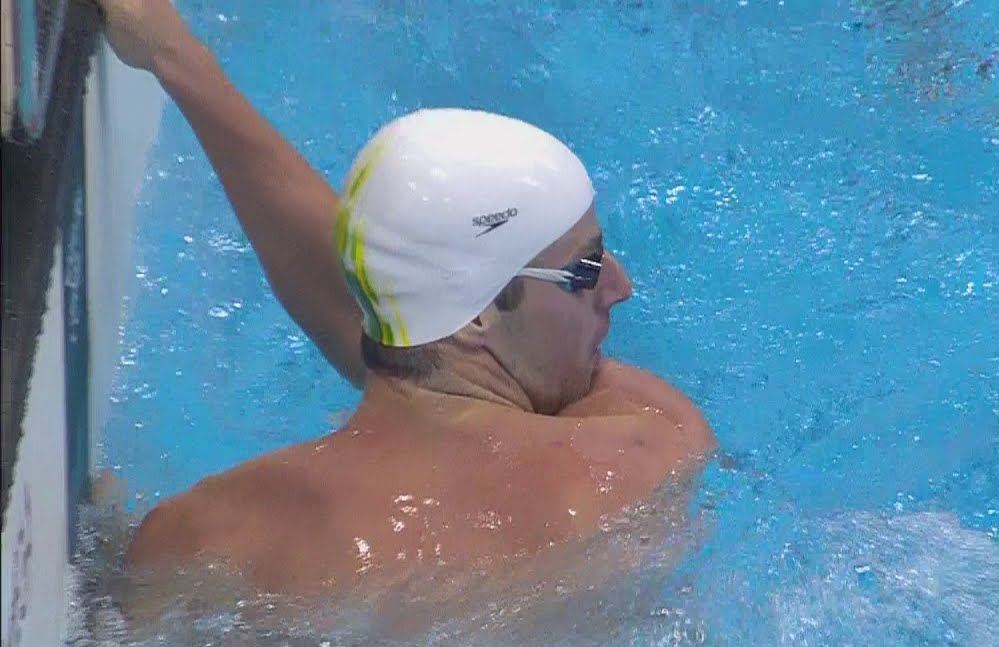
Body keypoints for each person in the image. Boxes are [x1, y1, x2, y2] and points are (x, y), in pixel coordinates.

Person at [100, 0, 717, 600]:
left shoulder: (195, 542)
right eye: (584, 270)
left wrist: (175, 57)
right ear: (477, 314)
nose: (619, 287)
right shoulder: (649, 460)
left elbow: (395, 325)